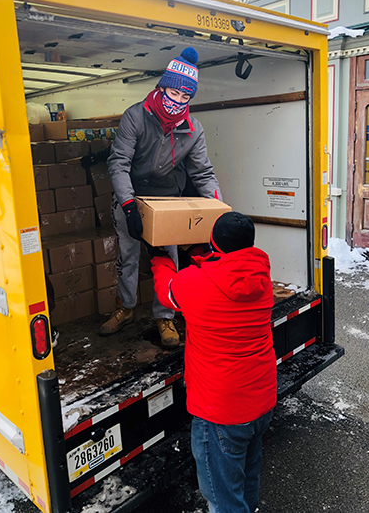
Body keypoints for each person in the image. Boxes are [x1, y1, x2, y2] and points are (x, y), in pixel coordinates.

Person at [148, 211, 277, 513]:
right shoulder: (261, 275)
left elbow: (167, 290)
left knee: (222, 501)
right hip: (260, 401)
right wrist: (199, 257)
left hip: (220, 411)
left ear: (214, 244)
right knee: (247, 479)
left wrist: (160, 258)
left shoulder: (194, 283)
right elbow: (225, 274)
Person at [101, 47, 222, 347]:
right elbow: (118, 163)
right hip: (131, 196)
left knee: (167, 260)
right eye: (173, 93)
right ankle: (125, 308)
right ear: (162, 87)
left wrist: (221, 211)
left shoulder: (193, 130)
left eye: (185, 97)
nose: (177, 102)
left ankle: (164, 317)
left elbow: (203, 173)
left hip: (166, 202)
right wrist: (128, 206)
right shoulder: (136, 117)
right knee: (127, 257)